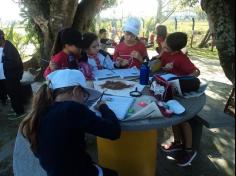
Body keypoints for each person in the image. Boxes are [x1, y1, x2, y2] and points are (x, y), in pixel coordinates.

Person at [20, 69, 120, 176]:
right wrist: (103, 107)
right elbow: (114, 131)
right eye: (85, 96)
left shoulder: (42, 110)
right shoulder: (71, 108)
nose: (84, 101)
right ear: (76, 91)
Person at [161, 32, 200, 167]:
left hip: (182, 91)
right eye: (164, 45)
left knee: (184, 118)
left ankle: (189, 150)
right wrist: (161, 65)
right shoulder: (166, 53)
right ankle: (177, 142)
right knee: (175, 114)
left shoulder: (181, 58)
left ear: (176, 49)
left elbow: (196, 72)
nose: (164, 49)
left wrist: (186, 76)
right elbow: (160, 60)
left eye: (166, 48)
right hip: (170, 89)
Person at [0, 29, 25, 119]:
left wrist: (4, 61)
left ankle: (19, 112)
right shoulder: (5, 46)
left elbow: (15, 63)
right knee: (12, 93)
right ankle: (16, 109)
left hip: (13, 76)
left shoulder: (9, 48)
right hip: (9, 76)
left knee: (14, 93)